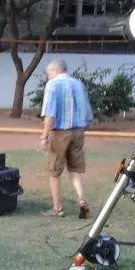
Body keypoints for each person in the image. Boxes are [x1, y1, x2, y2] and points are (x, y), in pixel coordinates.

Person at [39, 59, 93, 219]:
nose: (48, 77)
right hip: (78, 131)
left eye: (49, 73)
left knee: (54, 171)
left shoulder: (53, 85)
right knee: (75, 170)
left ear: (55, 70)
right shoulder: (79, 84)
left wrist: (44, 135)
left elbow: (50, 114)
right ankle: (82, 200)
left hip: (60, 133)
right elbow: (88, 112)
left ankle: (57, 208)